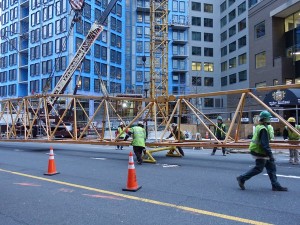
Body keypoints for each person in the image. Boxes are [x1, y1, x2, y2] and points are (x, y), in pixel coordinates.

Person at [236, 110, 288, 191]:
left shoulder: (260, 126)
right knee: (259, 168)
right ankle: (242, 178)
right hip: (259, 151)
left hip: (259, 150)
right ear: (265, 119)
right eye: (269, 119)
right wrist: (271, 156)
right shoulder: (263, 129)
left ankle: (275, 185)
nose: (270, 120)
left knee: (271, 167)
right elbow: (265, 145)